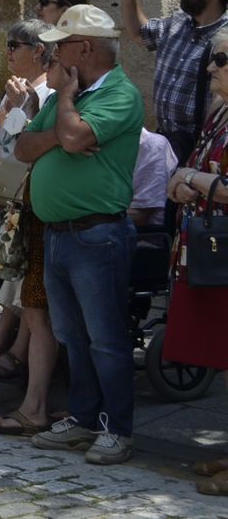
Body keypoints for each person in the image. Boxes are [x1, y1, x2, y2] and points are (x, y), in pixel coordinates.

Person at [10, 5, 143, 466]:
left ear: (84, 48)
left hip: (97, 235)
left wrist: (64, 108)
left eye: (60, 44)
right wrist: (64, 131)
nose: (53, 52)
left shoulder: (119, 94)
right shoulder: (68, 95)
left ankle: (118, 429)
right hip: (60, 235)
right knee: (72, 335)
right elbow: (24, 146)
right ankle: (86, 420)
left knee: (106, 338)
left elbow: (69, 137)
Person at [0, 19, 58, 437]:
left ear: (40, 51)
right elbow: (3, 146)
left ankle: (25, 376)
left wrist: (18, 116)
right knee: (19, 289)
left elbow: (24, 149)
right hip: (18, 199)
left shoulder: (46, 91)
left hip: (38, 201)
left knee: (32, 298)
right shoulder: (20, 90)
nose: (8, 52)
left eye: (15, 45)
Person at [164, 27, 228, 495]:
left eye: (220, 61)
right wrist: (181, 182)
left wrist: (196, 183)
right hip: (208, 251)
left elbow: (208, 179)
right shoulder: (220, 110)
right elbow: (194, 164)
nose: (211, 68)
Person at [119, 0, 228, 162]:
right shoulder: (178, 21)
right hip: (165, 139)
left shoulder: (225, 39)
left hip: (198, 146)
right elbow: (139, 33)